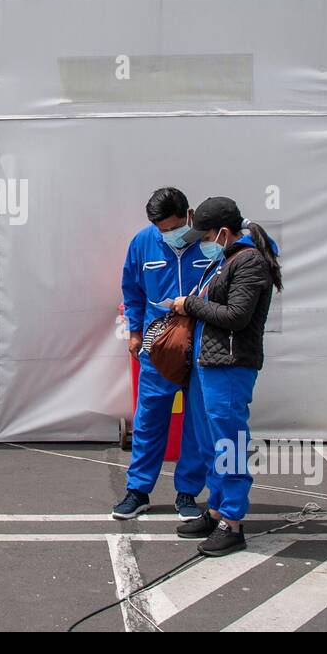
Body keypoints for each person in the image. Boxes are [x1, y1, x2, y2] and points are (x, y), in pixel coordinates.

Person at [170, 196, 282, 557]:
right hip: (210, 364)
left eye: (205, 236)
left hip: (231, 366)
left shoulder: (249, 261)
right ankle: (217, 509)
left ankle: (232, 522)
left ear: (222, 232)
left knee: (229, 443)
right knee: (211, 442)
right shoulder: (226, 259)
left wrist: (190, 304)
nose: (202, 243)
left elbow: (236, 316)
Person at [113, 187, 213, 521]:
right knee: (149, 418)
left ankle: (187, 493)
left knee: (197, 421)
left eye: (175, 227)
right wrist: (135, 333)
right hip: (158, 346)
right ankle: (138, 490)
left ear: (189, 215)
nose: (169, 234)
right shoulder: (142, 242)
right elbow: (132, 290)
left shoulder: (209, 241)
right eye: (162, 229)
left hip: (201, 344)